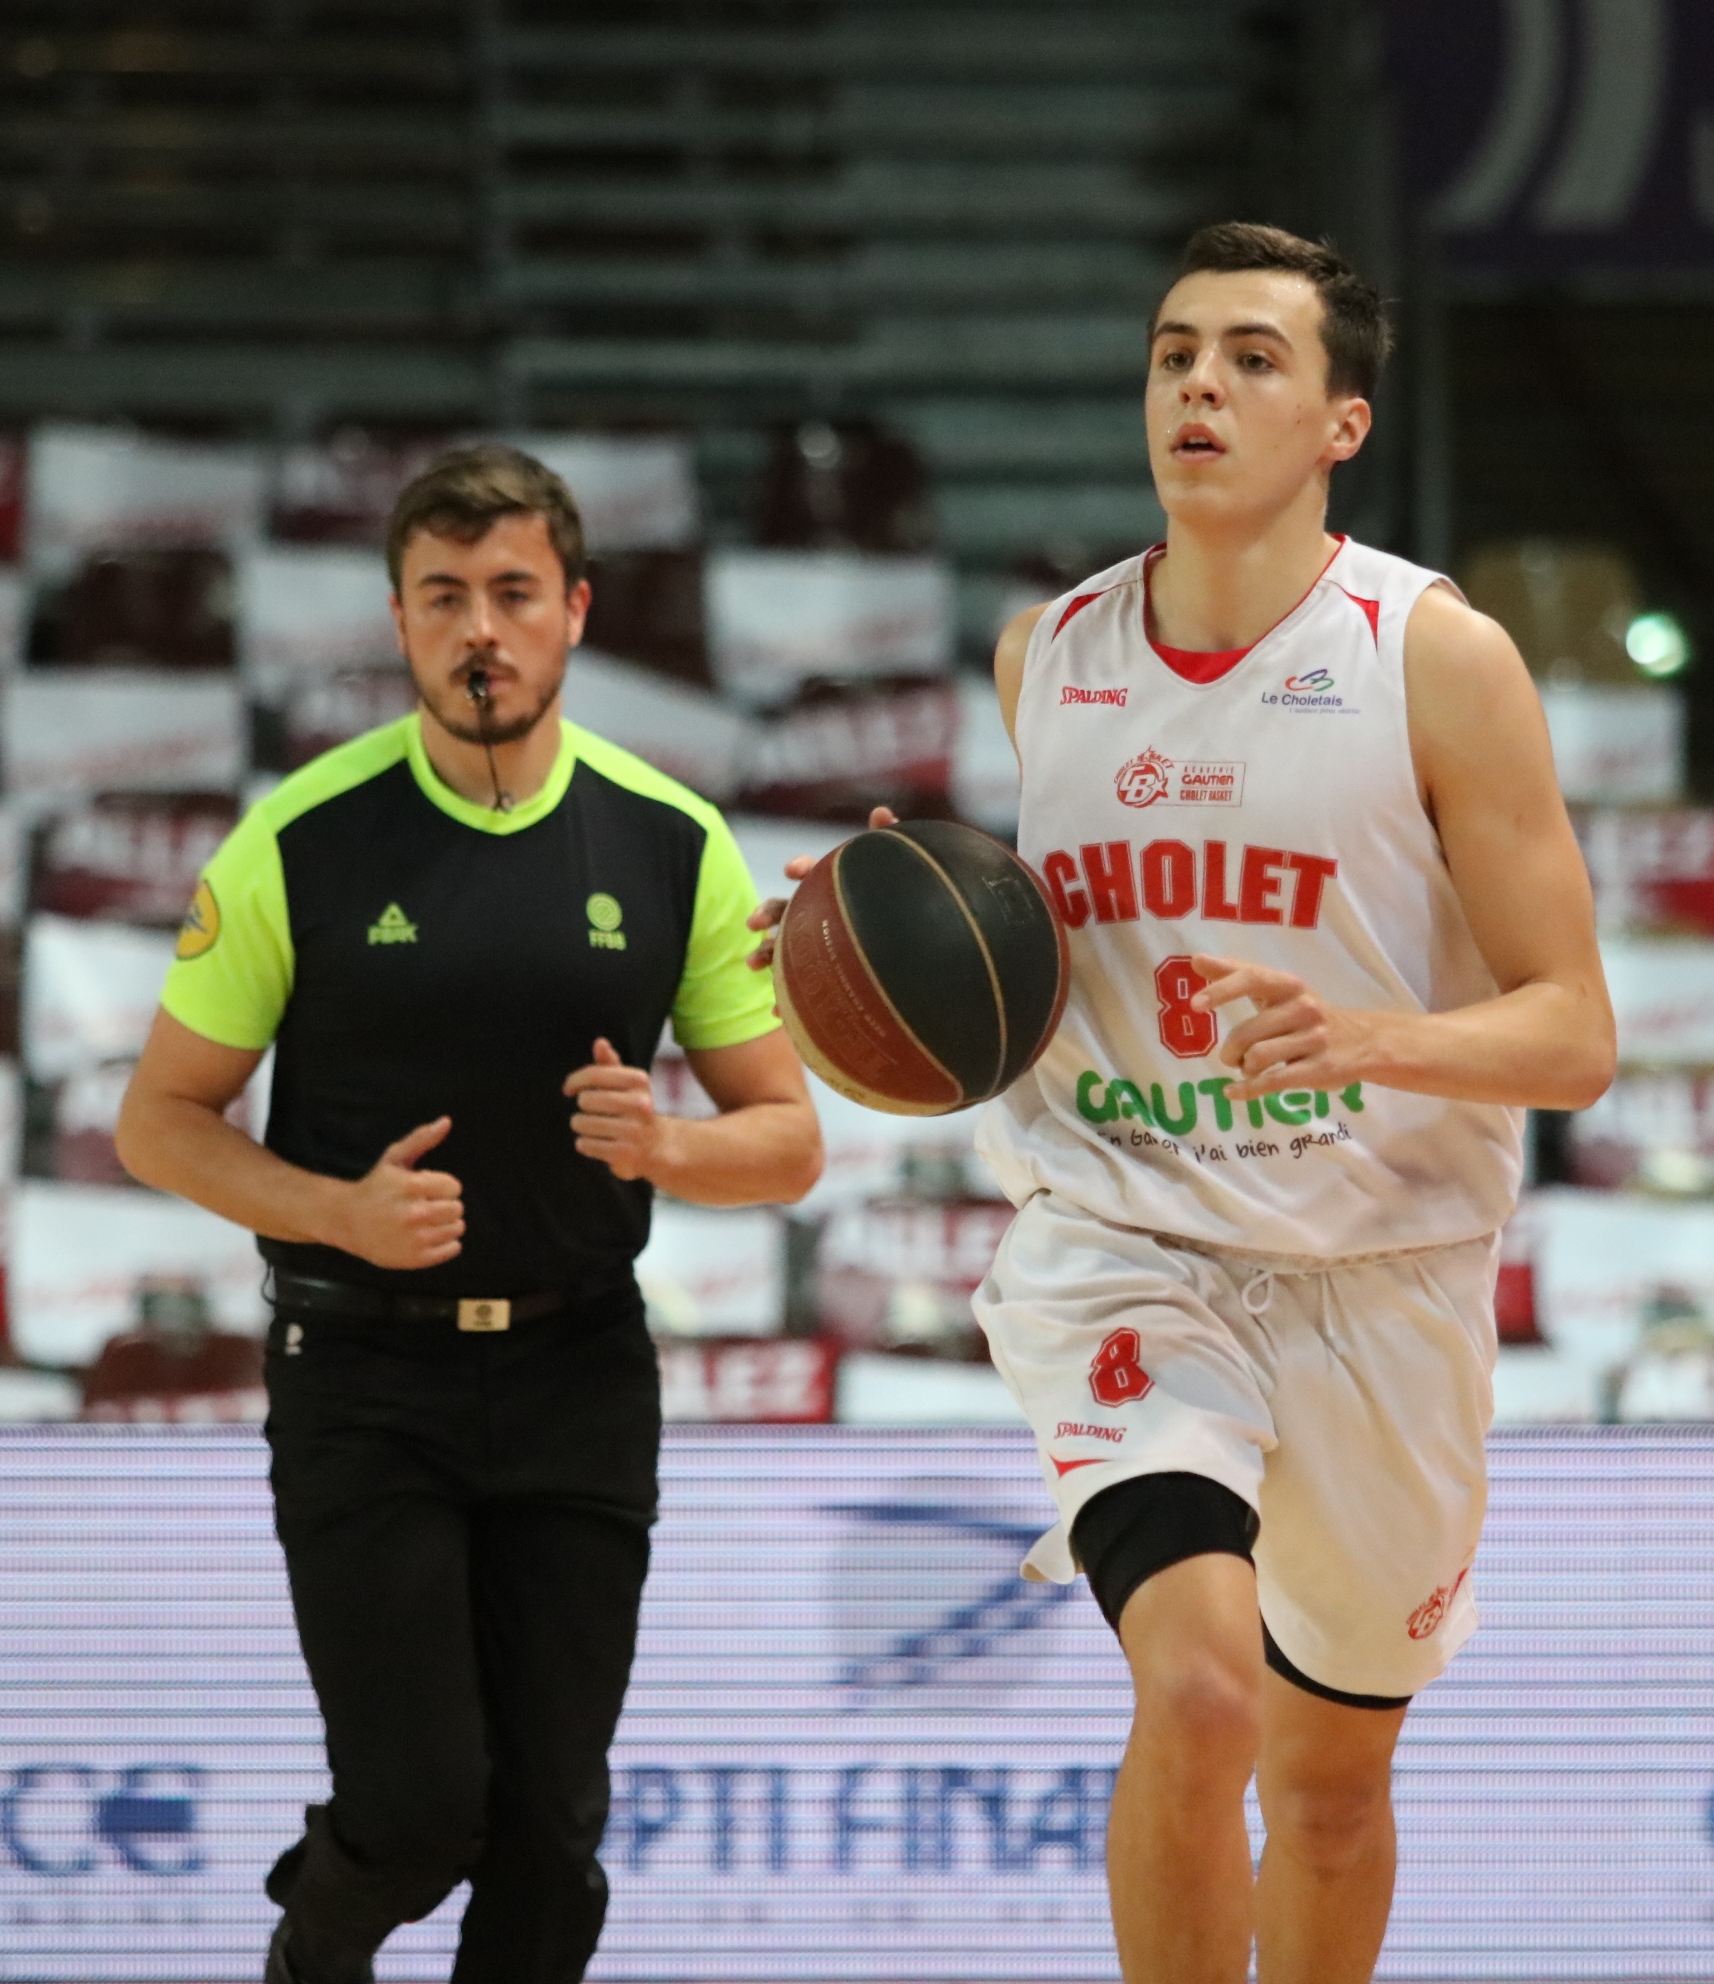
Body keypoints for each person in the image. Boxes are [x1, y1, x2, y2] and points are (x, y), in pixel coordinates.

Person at [769, 222, 1616, 1984]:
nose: (1199, 389)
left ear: (1341, 425)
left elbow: (1575, 1035)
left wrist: (1371, 1037)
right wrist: (863, 941)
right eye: (1173, 355)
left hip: (1386, 1271)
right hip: (1129, 1248)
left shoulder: (1436, 662)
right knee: (1207, 1687)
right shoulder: (1048, 656)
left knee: (1325, 1784)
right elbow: (1010, 953)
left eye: (1249, 358)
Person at [115, 444, 822, 1984]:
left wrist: (670, 1149)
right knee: (426, 1808)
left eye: (512, 593)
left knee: (552, 1841)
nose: (479, 630)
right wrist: (336, 1214)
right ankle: (315, 1953)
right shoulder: (299, 839)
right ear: (398, 621)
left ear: (575, 611)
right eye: (445, 597)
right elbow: (155, 1121)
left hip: (580, 1374)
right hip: (363, 1380)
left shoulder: (671, 839)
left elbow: (787, 1142)